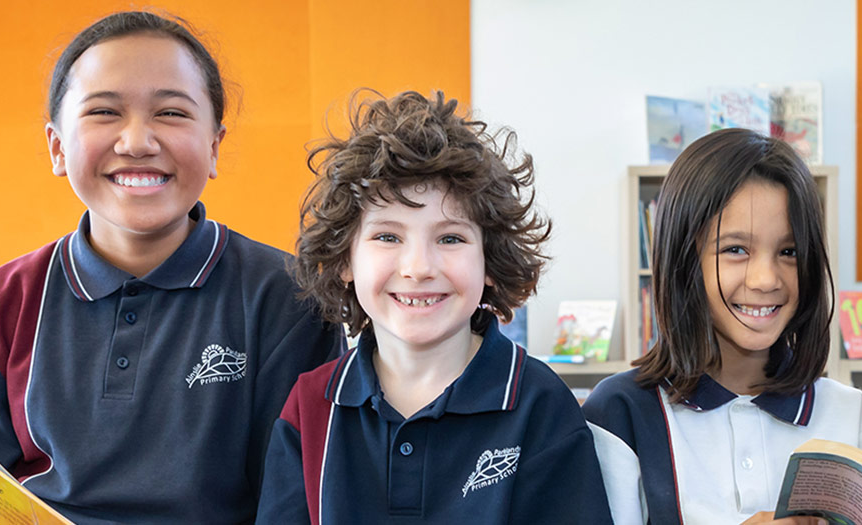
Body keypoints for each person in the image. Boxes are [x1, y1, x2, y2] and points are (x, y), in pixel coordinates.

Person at [0, 11, 343, 523]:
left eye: (171, 113)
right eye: (104, 112)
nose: (137, 141)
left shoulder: (288, 299)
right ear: (57, 147)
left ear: (215, 145)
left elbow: (295, 502)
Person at [258, 90, 611, 524]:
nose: (419, 267)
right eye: (387, 237)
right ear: (345, 261)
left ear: (490, 263)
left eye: (450, 238)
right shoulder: (311, 406)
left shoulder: (540, 404)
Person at [583, 128, 862, 525]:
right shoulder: (619, 412)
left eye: (789, 252)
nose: (766, 279)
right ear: (684, 259)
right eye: (736, 250)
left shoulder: (849, 412)